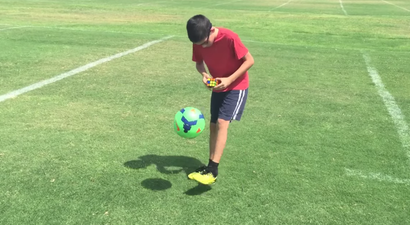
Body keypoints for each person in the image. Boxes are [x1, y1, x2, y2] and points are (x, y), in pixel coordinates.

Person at [186, 14, 254, 185]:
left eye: (204, 42)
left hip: (236, 86)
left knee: (223, 123)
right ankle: (208, 166)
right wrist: (204, 75)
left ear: (212, 30)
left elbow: (249, 61)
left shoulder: (230, 37)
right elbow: (199, 63)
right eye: (199, 44)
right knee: (213, 125)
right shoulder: (198, 41)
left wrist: (229, 79)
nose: (202, 46)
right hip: (218, 86)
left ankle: (213, 171)